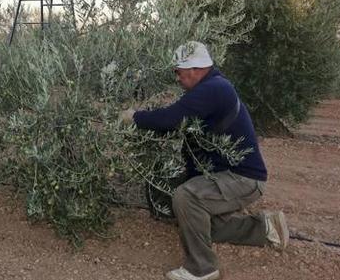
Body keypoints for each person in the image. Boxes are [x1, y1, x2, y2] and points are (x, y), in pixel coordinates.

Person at [120, 41, 289, 280]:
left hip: (243, 179)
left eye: (178, 72)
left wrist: (134, 117)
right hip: (228, 176)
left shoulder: (214, 89)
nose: (177, 78)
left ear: (195, 69)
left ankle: (202, 269)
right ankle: (267, 229)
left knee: (186, 198)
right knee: (193, 220)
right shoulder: (210, 88)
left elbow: (171, 119)